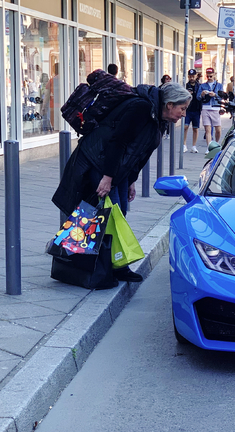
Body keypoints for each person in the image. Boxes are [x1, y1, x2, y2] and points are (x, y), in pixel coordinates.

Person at [52, 82, 191, 283]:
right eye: (182, 108)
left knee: (119, 213)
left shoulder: (158, 117)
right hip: (100, 162)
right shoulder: (141, 108)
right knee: (104, 214)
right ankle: (90, 265)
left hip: (117, 167)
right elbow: (118, 142)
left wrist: (131, 181)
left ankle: (113, 264)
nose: (184, 114)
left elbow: (139, 152)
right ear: (169, 104)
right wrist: (107, 178)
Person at [197, 67, 223, 153]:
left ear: (214, 75)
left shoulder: (219, 85)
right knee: (207, 129)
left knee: (218, 129)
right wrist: (202, 94)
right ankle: (209, 148)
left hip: (215, 107)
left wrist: (215, 95)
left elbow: (222, 96)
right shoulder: (203, 85)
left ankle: (216, 143)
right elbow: (198, 97)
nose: (209, 77)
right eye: (208, 76)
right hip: (205, 108)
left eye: (211, 76)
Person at [183, 69, 203, 153]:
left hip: (196, 109)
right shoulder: (185, 86)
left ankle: (194, 146)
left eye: (193, 76)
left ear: (196, 76)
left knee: (195, 128)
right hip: (187, 109)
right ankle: (184, 145)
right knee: (185, 127)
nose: (191, 78)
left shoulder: (199, 86)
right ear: (188, 77)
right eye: (190, 76)